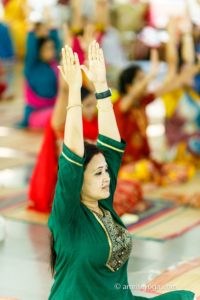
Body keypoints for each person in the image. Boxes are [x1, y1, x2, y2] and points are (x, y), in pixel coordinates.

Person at [48, 41, 195, 300]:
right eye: (97, 173)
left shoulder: (104, 205)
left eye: (105, 172)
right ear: (76, 180)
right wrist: (74, 91)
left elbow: (112, 148)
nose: (106, 178)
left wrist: (103, 87)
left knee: (185, 296)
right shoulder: (67, 216)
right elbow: (71, 154)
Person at [28, 75, 98, 213]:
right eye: (88, 106)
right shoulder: (65, 125)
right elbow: (58, 119)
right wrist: (64, 88)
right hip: (71, 188)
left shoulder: (93, 123)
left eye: (94, 105)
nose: (92, 110)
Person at [18, 22, 60, 128]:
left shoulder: (54, 65)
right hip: (36, 114)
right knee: (58, 116)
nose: (51, 51)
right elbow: (31, 49)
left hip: (54, 109)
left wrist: (52, 29)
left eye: (52, 48)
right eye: (47, 48)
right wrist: (32, 32)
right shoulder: (32, 66)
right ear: (39, 51)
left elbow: (57, 44)